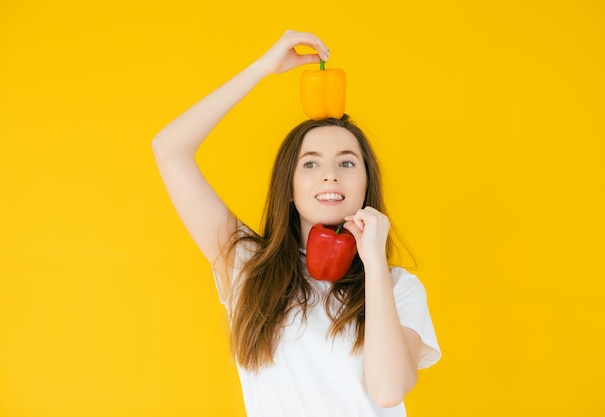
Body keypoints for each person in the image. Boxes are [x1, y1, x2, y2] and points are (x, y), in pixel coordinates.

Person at [152, 30, 441, 417]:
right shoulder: (248, 266)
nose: (330, 175)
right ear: (288, 187)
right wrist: (261, 70)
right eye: (310, 163)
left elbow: (388, 391)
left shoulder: (397, 287)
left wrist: (373, 263)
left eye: (347, 162)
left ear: (366, 184)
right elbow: (170, 150)